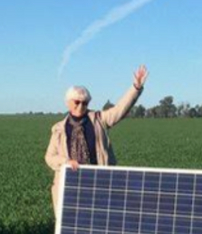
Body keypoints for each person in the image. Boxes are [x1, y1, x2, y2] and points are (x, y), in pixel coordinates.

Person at [44, 66, 148, 213]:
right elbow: (49, 157)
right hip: (69, 186)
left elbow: (120, 110)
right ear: (68, 102)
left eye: (85, 103)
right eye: (77, 102)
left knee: (99, 225)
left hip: (98, 183)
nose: (81, 106)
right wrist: (66, 162)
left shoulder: (99, 119)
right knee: (71, 228)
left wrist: (136, 88)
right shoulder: (58, 129)